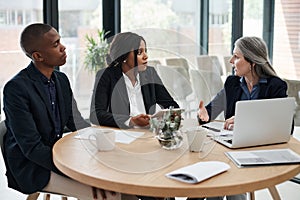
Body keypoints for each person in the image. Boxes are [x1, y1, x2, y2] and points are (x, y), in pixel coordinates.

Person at [2, 23, 121, 200]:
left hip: (58, 156)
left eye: (60, 41)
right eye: (55, 44)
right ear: (38, 56)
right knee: (108, 194)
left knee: (118, 183)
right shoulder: (16, 89)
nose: (63, 47)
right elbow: (32, 148)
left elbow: (77, 122)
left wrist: (103, 141)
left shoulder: (61, 80)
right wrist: (76, 166)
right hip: (33, 167)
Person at [196, 36, 288, 200]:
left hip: (259, 151)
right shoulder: (232, 83)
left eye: (236, 57)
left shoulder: (275, 86)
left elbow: (286, 127)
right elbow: (211, 110)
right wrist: (204, 115)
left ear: (252, 62)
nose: (231, 61)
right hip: (230, 148)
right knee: (214, 181)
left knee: (223, 183)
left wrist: (244, 119)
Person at [90, 32, 179, 129]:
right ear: (123, 56)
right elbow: (95, 115)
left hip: (147, 133)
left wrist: (165, 117)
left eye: (145, 51)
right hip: (122, 135)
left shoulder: (150, 74)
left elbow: (171, 106)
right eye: (139, 52)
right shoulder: (106, 76)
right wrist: (131, 121)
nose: (146, 56)